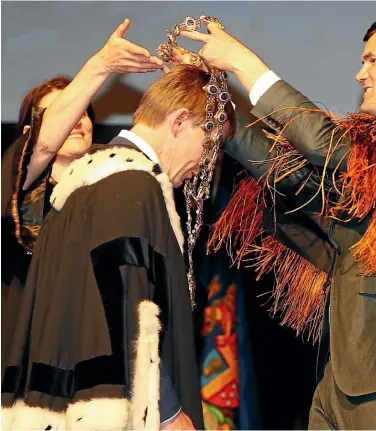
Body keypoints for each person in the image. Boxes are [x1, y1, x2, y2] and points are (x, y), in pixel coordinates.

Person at [178, 9, 376, 429]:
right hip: (344, 381)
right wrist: (218, 107)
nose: (359, 73)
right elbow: (300, 180)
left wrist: (243, 62)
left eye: (372, 59)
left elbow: (323, 145)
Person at [1, 63, 235, 430]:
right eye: (210, 145)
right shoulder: (131, 186)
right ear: (179, 122)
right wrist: (169, 412)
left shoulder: (82, 185)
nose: (208, 162)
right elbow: (124, 309)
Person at [1, 17, 162, 363]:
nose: (77, 119)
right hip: (28, 368)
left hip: (98, 367)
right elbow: (40, 149)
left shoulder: (117, 186)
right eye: (62, 111)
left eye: (84, 111)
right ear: (30, 131)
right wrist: (101, 65)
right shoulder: (16, 191)